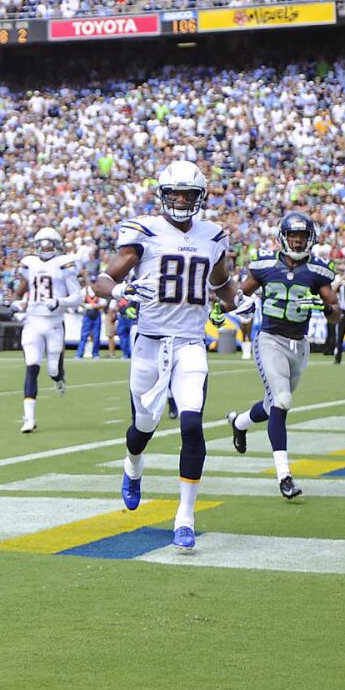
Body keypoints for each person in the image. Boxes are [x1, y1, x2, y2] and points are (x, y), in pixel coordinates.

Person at [94, 160, 238, 550]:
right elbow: (105, 279)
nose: (180, 200)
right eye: (174, 193)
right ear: (161, 195)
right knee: (143, 427)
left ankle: (185, 518)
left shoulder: (213, 235)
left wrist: (236, 302)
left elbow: (221, 280)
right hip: (150, 343)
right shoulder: (145, 230)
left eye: (188, 194)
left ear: (199, 198)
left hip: (191, 342)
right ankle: (132, 464)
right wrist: (121, 292)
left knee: (192, 424)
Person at [225, 212, 339, 500]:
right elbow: (237, 295)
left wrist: (324, 307)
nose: (297, 241)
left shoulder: (317, 271)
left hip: (299, 346)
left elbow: (336, 313)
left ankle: (239, 423)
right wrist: (228, 308)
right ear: (283, 237)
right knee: (282, 401)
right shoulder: (264, 266)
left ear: (310, 239)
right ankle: (284, 476)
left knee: (271, 403)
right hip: (269, 340)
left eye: (302, 237)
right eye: (293, 236)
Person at [13, 226, 80, 432]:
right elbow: (18, 294)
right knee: (31, 366)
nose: (45, 248)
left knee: (52, 370)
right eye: (42, 244)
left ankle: (59, 377)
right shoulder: (29, 264)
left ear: (57, 246)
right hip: (32, 320)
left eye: (49, 244)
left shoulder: (64, 265)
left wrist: (59, 302)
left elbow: (77, 297)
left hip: (53, 322)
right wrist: (18, 305)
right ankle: (29, 419)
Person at [77, 280, 104, 358]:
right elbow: (79, 301)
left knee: (96, 335)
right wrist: (85, 306)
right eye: (92, 282)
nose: (93, 284)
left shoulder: (100, 291)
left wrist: (93, 306)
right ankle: (79, 354)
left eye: (95, 282)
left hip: (96, 314)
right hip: (87, 315)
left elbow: (103, 304)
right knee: (84, 335)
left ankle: (95, 354)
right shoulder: (84, 291)